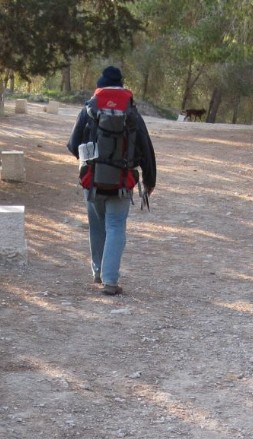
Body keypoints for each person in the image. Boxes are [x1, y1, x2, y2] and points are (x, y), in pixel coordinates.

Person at [67, 66, 156, 295]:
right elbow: (146, 148)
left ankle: (97, 271)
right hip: (122, 181)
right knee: (116, 227)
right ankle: (110, 280)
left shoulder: (90, 108)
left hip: (93, 180)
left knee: (97, 226)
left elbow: (73, 143)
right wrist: (149, 179)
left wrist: (87, 160)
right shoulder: (131, 111)